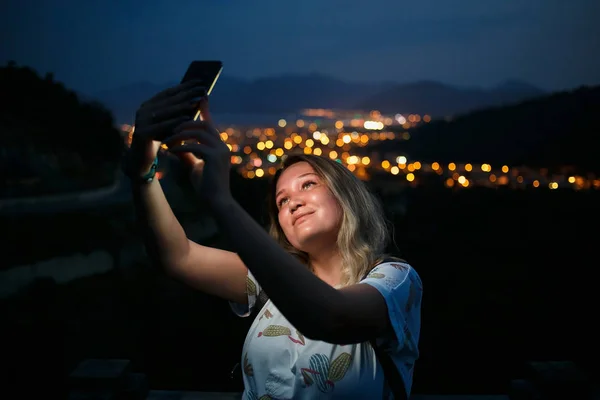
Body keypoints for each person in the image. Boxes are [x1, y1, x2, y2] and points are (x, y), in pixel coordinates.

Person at [123, 80, 422, 399]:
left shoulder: (393, 280)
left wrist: (222, 200)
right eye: (281, 200)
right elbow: (176, 256)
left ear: (344, 194)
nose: (292, 202)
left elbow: (333, 318)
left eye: (308, 185)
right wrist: (144, 173)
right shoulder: (270, 280)